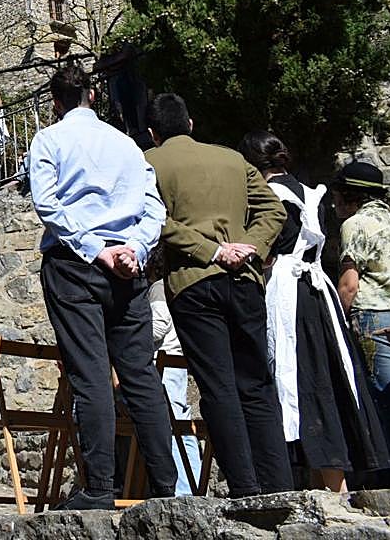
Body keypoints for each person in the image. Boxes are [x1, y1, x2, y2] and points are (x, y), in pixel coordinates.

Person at [28, 64, 176, 509]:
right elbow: (154, 208)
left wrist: (95, 249)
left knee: (90, 374)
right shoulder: (127, 144)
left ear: (56, 101)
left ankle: (99, 488)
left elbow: (47, 204)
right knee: (140, 374)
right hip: (126, 265)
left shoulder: (48, 140)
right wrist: (134, 248)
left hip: (76, 262)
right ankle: (165, 488)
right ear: (92, 95)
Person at [145, 92, 290, 499]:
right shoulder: (232, 159)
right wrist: (251, 247)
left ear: (153, 132)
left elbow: (155, 219)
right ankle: (279, 485)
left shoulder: (148, 163)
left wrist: (210, 251)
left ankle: (245, 488)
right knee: (257, 383)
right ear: (190, 123)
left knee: (218, 386)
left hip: (192, 280)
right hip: (244, 278)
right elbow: (274, 212)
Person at [240, 133, 389, 492]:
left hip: (286, 294)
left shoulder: (267, 197)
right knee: (326, 377)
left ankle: (297, 485)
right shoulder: (313, 194)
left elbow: (266, 250)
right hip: (318, 294)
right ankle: (332, 485)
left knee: (297, 379)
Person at [334, 159, 390, 487]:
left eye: (337, 195)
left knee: (389, 405)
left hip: (375, 320)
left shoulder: (355, 225)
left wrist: (335, 318)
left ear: (349, 195)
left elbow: (350, 284)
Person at [146, 267, 203, 496]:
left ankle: (184, 490)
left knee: (173, 426)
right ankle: (191, 486)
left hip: (165, 362)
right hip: (174, 361)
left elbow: (159, 325)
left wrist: (129, 337)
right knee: (179, 424)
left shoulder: (159, 286)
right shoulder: (176, 285)